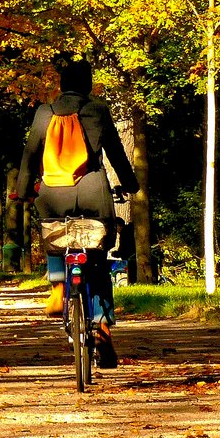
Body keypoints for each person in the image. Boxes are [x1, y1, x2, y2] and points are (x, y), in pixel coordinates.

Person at [14, 57, 139, 368]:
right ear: (88, 83)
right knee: (97, 263)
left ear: (61, 84)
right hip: (94, 193)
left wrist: (24, 191)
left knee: (55, 236)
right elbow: (116, 153)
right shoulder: (97, 110)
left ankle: (58, 283)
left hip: (53, 194)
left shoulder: (44, 112)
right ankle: (103, 326)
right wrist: (131, 185)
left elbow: (30, 155)